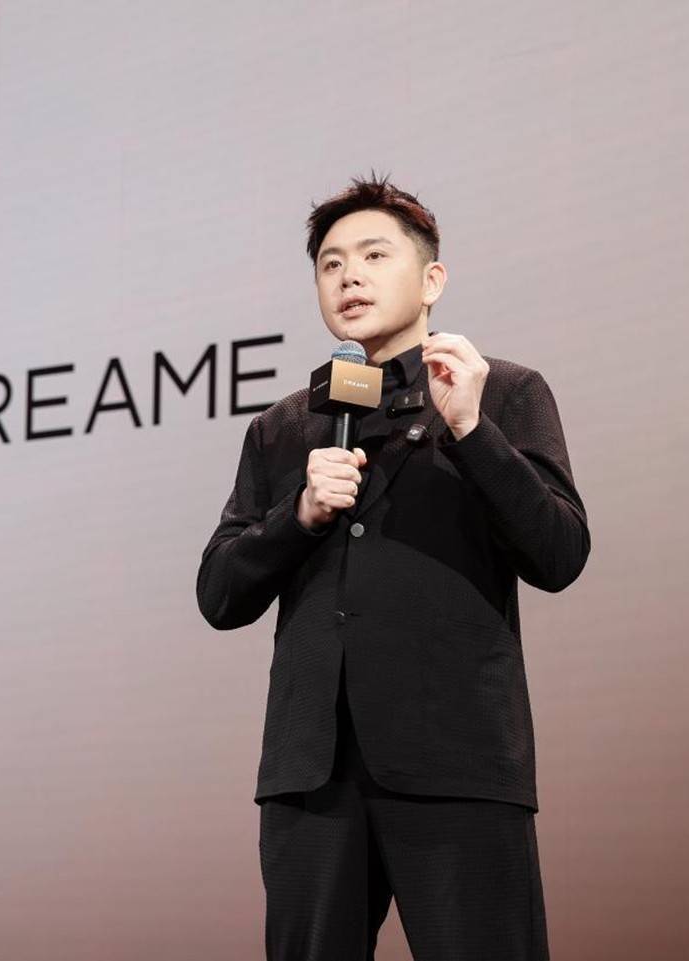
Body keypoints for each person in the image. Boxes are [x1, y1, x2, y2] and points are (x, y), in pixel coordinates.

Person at [195, 174, 590, 960]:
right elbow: (219, 593)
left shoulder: (500, 392)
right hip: (311, 772)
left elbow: (558, 553)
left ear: (431, 279)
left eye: (374, 255)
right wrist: (299, 514)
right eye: (331, 263)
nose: (349, 276)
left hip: (456, 759)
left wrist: (471, 430)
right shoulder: (282, 427)